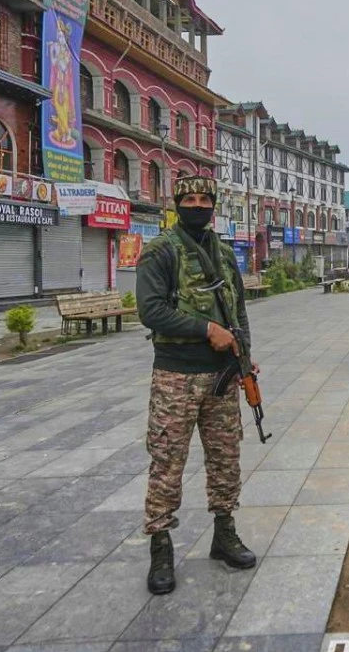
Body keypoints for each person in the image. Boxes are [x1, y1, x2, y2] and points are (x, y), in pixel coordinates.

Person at [136, 176, 259, 595]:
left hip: (222, 375)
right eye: (189, 199)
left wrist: (244, 357)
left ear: (213, 206)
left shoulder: (223, 253)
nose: (197, 205)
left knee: (226, 458)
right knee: (167, 461)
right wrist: (206, 328)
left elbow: (237, 310)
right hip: (176, 375)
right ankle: (161, 548)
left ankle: (224, 534)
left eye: (204, 199)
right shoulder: (161, 251)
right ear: (177, 204)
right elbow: (151, 311)